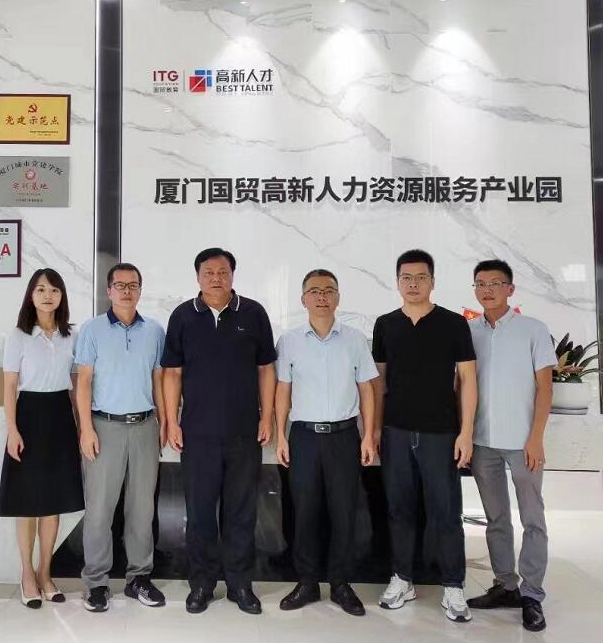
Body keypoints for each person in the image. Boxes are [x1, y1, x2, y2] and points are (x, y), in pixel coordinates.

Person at [161, 248, 276, 615]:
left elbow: (266, 369)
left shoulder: (253, 313)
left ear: (232, 275)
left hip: (244, 432)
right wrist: (172, 420)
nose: (216, 278)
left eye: (222, 271)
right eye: (208, 272)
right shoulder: (183, 316)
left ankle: (240, 584)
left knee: (241, 512)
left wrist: (267, 416)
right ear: (198, 277)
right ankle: (202, 584)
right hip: (197, 434)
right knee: (199, 512)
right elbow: (172, 373)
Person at [371, 249, 477, 622]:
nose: (413, 284)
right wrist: (375, 430)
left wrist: (466, 432)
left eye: (420, 277)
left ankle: (453, 585)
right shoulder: (385, 324)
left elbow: (468, 379)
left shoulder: (453, 324)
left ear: (432, 281)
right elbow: (379, 382)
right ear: (397, 281)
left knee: (446, 511)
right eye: (406, 277)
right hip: (396, 432)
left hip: (440, 433)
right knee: (399, 509)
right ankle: (402, 578)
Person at [274, 269, 378, 616]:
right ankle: (306, 582)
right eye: (315, 291)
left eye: (329, 290)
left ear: (338, 297)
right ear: (303, 299)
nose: (322, 296)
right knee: (304, 512)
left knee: (343, 511)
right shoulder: (289, 341)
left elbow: (367, 389)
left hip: (344, 437)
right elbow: (283, 390)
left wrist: (369, 435)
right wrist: (281, 435)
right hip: (304, 437)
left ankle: (340, 583)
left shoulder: (355, 340)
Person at [465, 259, 556, 633]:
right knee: (496, 519)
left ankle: (532, 594)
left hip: (523, 443)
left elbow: (545, 388)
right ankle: (505, 585)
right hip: (482, 442)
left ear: (510, 289)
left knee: (532, 519)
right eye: (480, 284)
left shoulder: (533, 329)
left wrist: (536, 437)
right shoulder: (468, 331)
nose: (487, 290)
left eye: (495, 283)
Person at [75, 263, 167, 613]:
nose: (127, 291)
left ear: (140, 290)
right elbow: (84, 381)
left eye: (133, 285)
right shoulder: (92, 329)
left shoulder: (154, 331)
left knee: (142, 509)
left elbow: (158, 380)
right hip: (104, 427)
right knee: (100, 510)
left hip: (144, 426)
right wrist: (86, 428)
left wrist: (164, 422)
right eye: (120, 285)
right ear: (109, 291)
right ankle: (96, 583)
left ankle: (138, 578)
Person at [0, 268, 84, 609]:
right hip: (29, 416)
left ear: (62, 296)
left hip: (60, 416)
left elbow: (75, 386)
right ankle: (27, 575)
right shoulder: (18, 336)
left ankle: (45, 573)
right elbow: (9, 386)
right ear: (30, 296)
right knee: (28, 503)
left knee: (53, 503)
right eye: (41, 290)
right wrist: (12, 429)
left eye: (54, 290)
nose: (48, 296)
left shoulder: (72, 336)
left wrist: (81, 426)